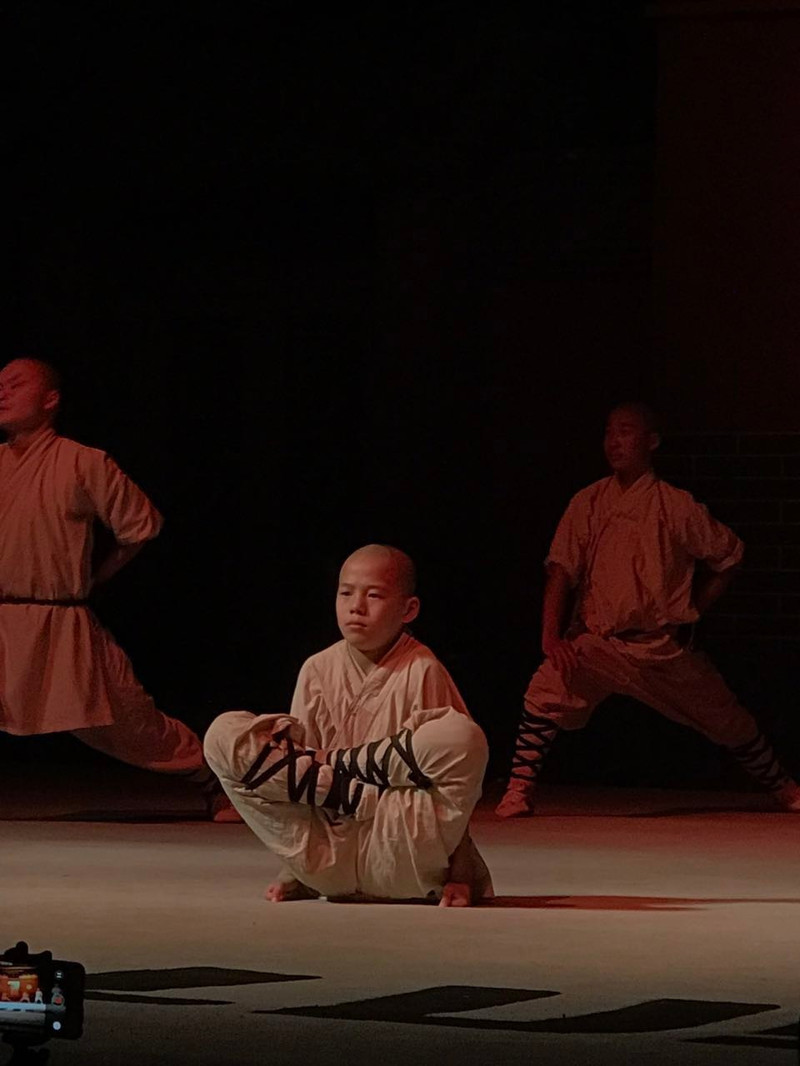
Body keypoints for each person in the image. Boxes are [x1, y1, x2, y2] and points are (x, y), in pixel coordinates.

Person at [496, 402, 800, 818]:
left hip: (659, 646)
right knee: (546, 689)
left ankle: (783, 787)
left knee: (727, 719)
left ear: (651, 441)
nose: (614, 442)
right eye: (608, 433)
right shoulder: (588, 502)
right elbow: (561, 571)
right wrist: (551, 636)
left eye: (625, 432)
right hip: (598, 642)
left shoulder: (676, 506)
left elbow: (729, 555)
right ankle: (518, 789)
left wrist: (695, 608)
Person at [0, 357, 237, 820]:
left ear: (50, 400)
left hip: (58, 618)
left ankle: (216, 780)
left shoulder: (84, 462)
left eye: (15, 383)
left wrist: (95, 577)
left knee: (124, 718)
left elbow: (140, 526)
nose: (2, 391)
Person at [204, 544, 493, 906]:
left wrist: (462, 875)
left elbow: (450, 784)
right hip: (327, 847)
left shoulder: (422, 669)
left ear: (409, 609)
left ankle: (345, 770)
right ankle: (345, 801)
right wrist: (294, 867)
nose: (356, 606)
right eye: (345, 593)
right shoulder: (316, 669)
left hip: (400, 847)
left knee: (461, 736)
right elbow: (296, 770)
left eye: (373, 595)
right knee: (223, 734)